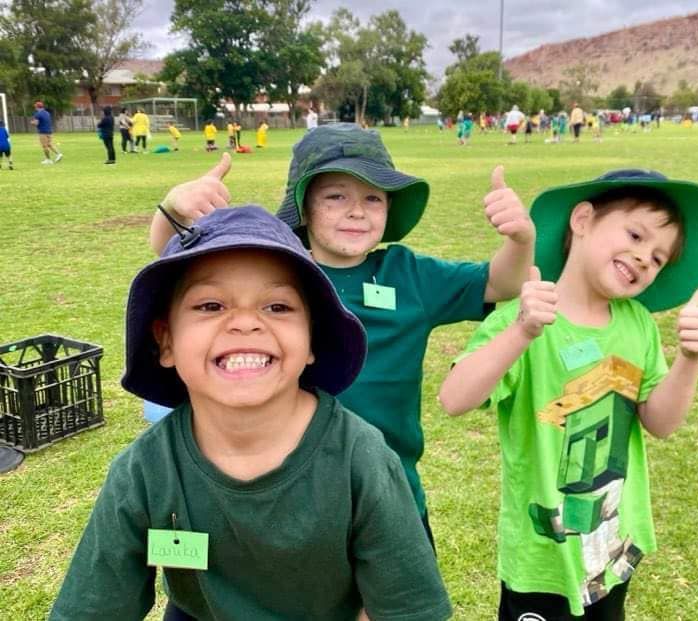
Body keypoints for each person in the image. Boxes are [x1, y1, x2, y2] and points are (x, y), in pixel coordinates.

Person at [50, 205, 452, 621]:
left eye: (277, 307)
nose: (245, 323)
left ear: (312, 339)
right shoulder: (145, 471)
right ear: (165, 341)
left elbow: (408, 609)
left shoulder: (361, 458)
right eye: (210, 306)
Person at [148, 123, 536, 548]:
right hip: (286, 494)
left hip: (390, 490)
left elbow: (501, 283)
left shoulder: (410, 275)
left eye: (373, 197)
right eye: (336, 196)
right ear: (304, 206)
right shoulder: (279, 268)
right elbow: (176, 260)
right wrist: (173, 211)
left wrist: (520, 238)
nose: (357, 211)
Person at [439, 169, 698, 620]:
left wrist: (689, 358)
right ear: (582, 220)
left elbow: (661, 422)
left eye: (657, 259)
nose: (641, 259)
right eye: (634, 235)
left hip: (610, 547)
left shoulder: (638, 324)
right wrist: (522, 332)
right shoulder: (524, 316)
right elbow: (453, 399)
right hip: (542, 560)